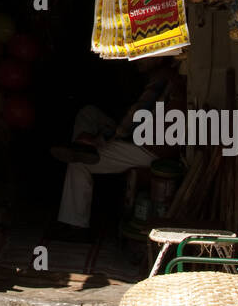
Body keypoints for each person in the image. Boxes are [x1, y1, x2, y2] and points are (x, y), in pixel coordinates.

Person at [51, 57, 185, 239]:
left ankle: (76, 226)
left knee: (79, 163)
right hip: (140, 138)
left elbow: (134, 120)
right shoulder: (160, 77)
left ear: (159, 57)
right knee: (89, 113)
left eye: (143, 55)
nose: (135, 58)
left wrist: (101, 139)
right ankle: (81, 147)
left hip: (148, 148)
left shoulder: (162, 79)